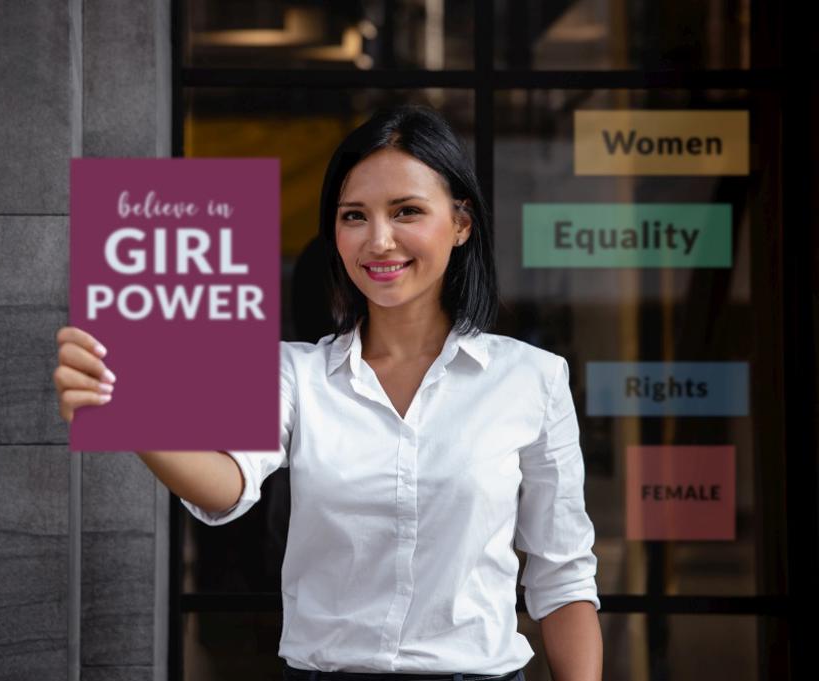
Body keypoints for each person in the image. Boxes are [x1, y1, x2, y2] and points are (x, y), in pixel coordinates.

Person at [54, 104, 603, 681]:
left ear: (461, 222)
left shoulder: (531, 379)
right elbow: (226, 487)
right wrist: (129, 413)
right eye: (354, 216)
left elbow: (562, 578)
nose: (379, 240)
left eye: (407, 211)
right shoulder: (294, 373)